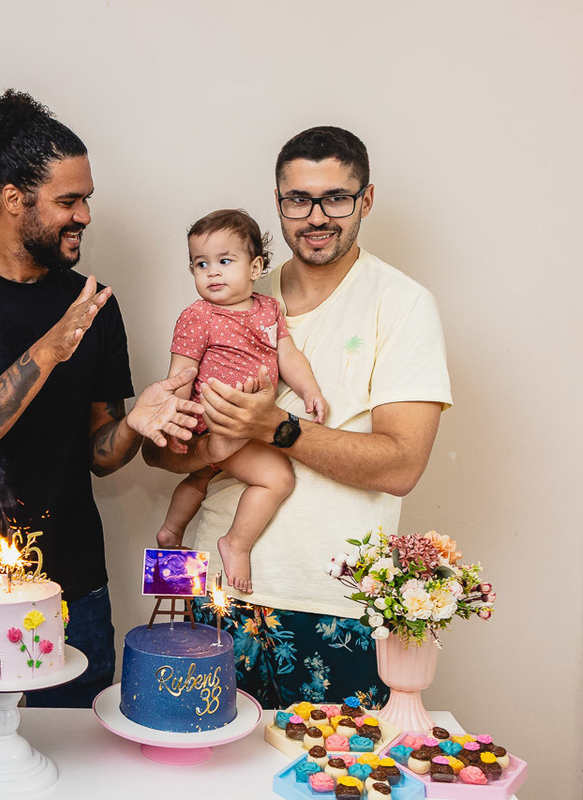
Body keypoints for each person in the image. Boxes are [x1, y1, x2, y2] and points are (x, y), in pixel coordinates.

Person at [0, 89, 199, 709]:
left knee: (79, 753)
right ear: (14, 200)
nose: (85, 215)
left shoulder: (94, 303)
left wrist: (134, 425)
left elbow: (101, 455)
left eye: (87, 198)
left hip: (74, 591)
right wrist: (50, 349)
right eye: (68, 201)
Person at [144, 127, 452, 708]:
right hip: (213, 591)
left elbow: (402, 466)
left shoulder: (402, 303)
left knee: (330, 762)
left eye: (336, 198)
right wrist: (204, 445)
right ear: (278, 202)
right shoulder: (228, 294)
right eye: (298, 200)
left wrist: (273, 428)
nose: (316, 216)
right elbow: (158, 451)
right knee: (200, 756)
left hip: (335, 602)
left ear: (366, 199)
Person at [156, 209, 327, 595]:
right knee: (277, 478)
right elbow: (180, 374)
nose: (212, 272)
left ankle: (170, 531)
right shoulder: (198, 315)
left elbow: (288, 355)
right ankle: (236, 543)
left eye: (225, 261)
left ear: (256, 268)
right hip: (219, 420)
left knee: (201, 477)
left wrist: (309, 390)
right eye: (201, 264)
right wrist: (176, 422)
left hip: (247, 422)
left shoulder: (269, 309)